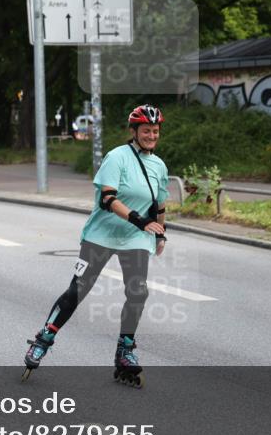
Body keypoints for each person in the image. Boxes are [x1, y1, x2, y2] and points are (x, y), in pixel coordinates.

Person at [22, 104, 169, 387]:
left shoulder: (159, 165)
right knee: (78, 289)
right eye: (146, 130)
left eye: (155, 131)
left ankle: (125, 350)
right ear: (134, 131)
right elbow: (107, 199)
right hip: (101, 234)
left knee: (138, 291)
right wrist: (140, 221)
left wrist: (160, 233)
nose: (151, 135)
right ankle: (44, 338)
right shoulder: (117, 158)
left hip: (135, 239)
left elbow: (159, 204)